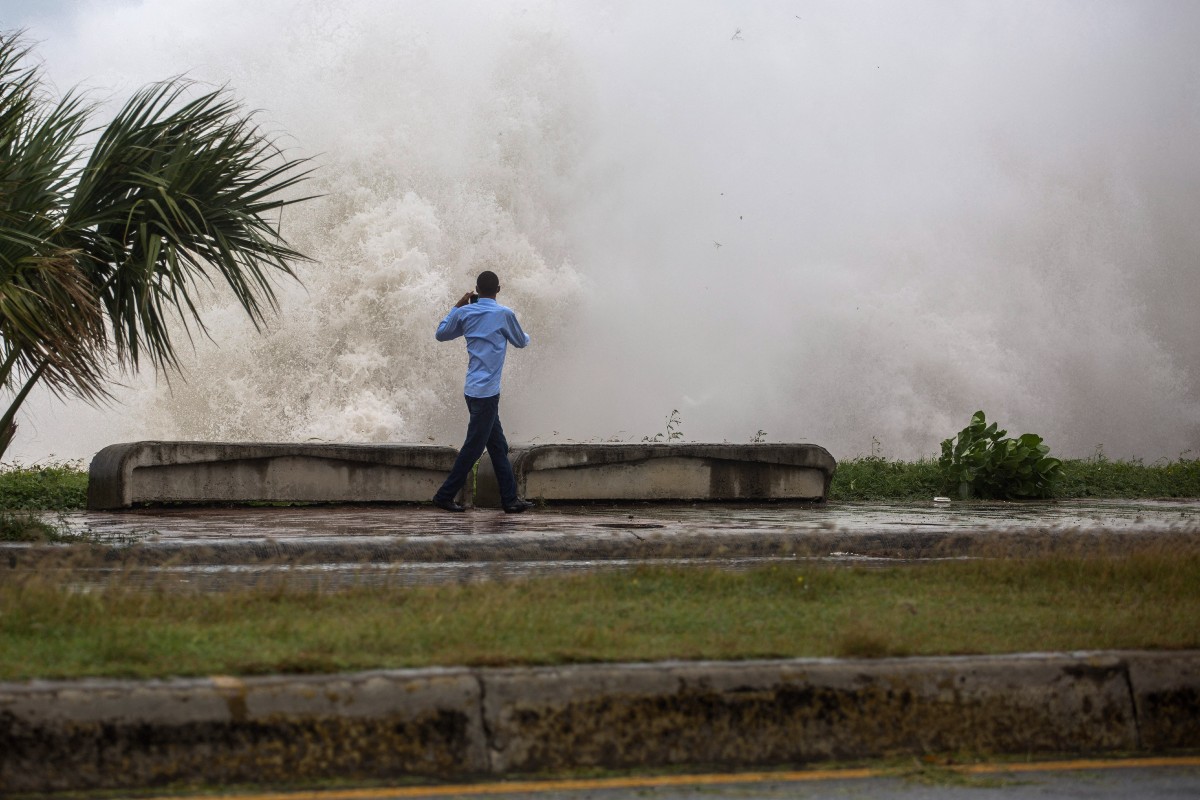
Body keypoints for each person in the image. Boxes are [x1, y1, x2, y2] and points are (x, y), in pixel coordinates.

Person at [431, 270, 535, 513]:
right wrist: (520, 333)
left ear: (476, 290)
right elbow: (521, 341)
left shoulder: (466, 312)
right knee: (474, 448)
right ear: (498, 289)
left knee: (498, 446)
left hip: (472, 390)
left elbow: (441, 334)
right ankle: (444, 495)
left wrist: (456, 306)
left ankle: (510, 499)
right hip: (487, 393)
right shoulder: (504, 314)